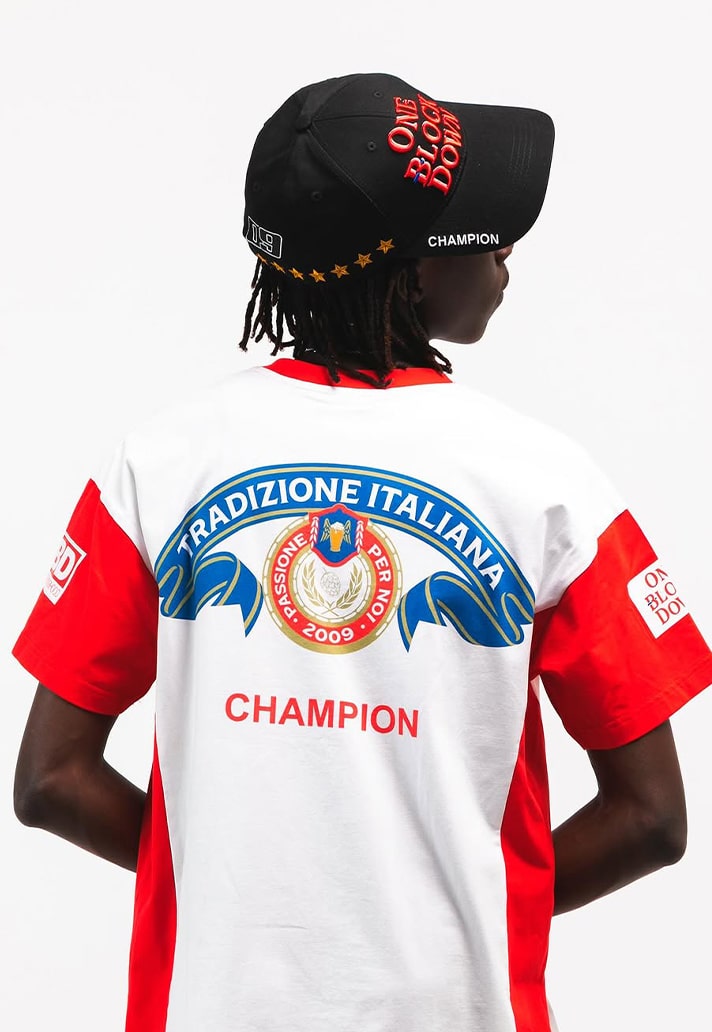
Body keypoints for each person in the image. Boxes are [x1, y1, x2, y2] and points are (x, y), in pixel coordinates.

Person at [12, 71, 712, 1032]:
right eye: (482, 230)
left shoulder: (159, 465)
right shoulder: (547, 485)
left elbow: (51, 780)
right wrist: (453, 917)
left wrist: (228, 902)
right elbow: (653, 819)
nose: (507, 251)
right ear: (414, 273)